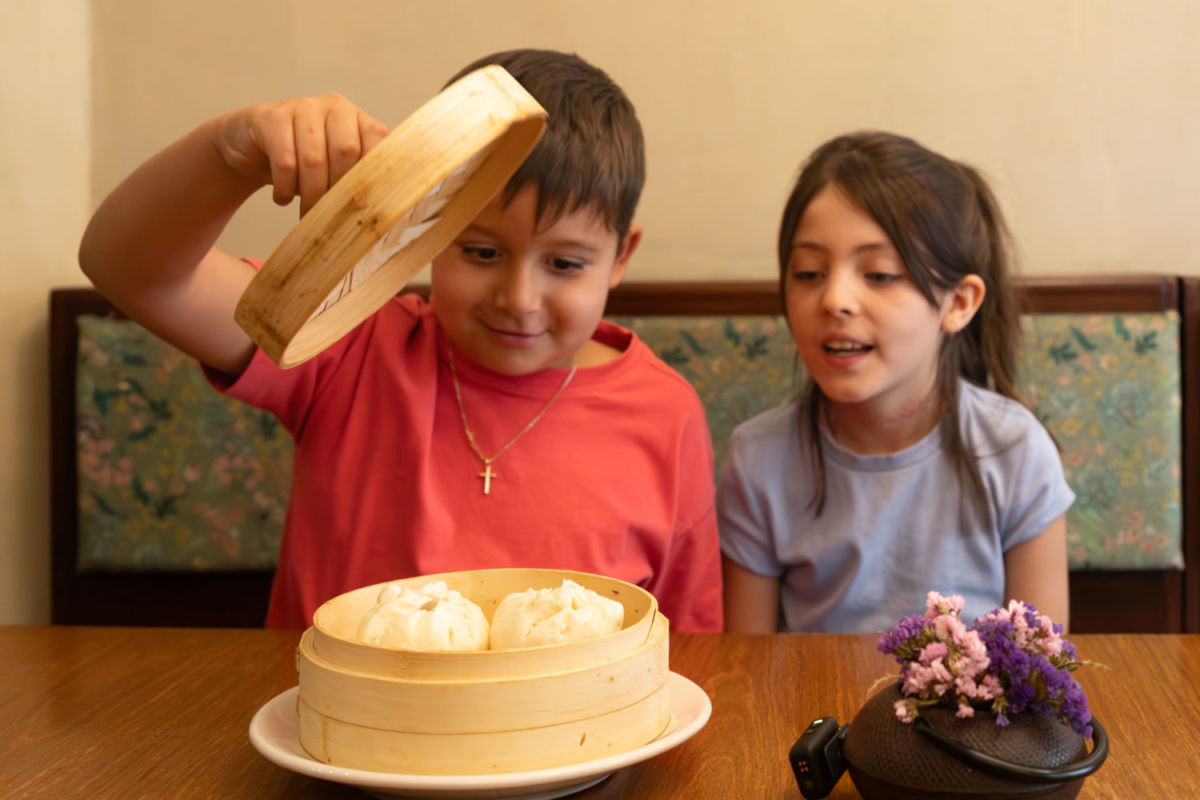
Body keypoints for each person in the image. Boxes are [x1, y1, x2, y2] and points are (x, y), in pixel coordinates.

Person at [78, 49, 722, 632]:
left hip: (583, 753)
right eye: (481, 250)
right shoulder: (349, 345)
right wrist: (231, 151)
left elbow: (690, 650)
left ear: (620, 258)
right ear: (428, 230)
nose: (518, 298)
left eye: (565, 264)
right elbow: (129, 270)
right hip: (337, 745)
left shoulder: (665, 415)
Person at [719, 131, 1073, 634]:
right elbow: (748, 668)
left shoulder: (1014, 449)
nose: (834, 299)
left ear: (958, 303)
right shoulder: (758, 457)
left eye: (880, 274)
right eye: (808, 272)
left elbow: (1040, 672)